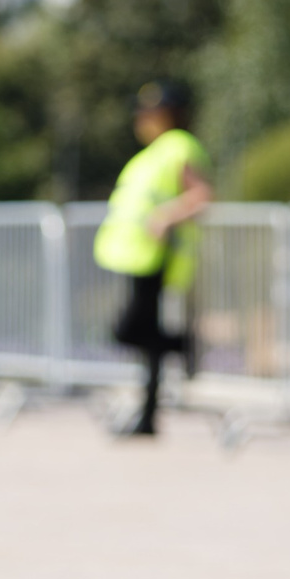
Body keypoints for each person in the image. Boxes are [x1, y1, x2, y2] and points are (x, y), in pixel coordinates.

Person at [92, 81, 215, 437]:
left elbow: (202, 195)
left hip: (157, 256)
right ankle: (147, 417)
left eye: (150, 112)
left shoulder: (178, 146)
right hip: (137, 256)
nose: (142, 119)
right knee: (148, 341)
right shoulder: (153, 152)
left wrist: (166, 217)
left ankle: (185, 345)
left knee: (132, 331)